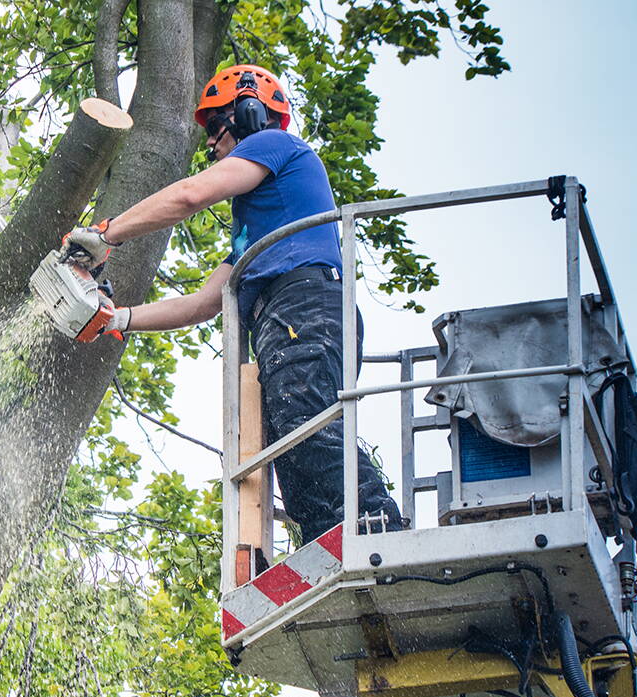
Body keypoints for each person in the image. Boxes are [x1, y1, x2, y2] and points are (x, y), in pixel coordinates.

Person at [64, 64, 403, 543]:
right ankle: (328, 543)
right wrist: (116, 318)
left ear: (248, 112)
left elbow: (189, 195)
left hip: (304, 303)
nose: (209, 143)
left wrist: (105, 234)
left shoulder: (275, 145)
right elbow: (203, 304)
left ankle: (375, 532)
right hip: (286, 314)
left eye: (215, 126)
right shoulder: (255, 239)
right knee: (292, 436)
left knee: (305, 419)